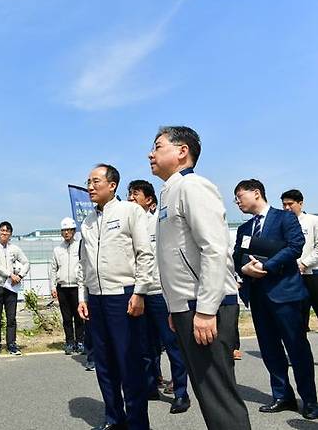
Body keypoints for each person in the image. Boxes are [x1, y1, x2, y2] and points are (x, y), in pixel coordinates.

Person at [149, 126, 251, 429]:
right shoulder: (171, 191)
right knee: (209, 394)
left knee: (218, 396)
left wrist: (206, 309)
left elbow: (215, 249)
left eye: (157, 146)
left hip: (206, 307)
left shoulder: (193, 186)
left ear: (182, 151)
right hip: (187, 306)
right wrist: (174, 306)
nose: (150, 154)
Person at [77, 164, 155, 430]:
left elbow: (145, 254)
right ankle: (114, 418)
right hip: (96, 298)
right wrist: (83, 296)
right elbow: (84, 264)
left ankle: (137, 424)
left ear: (112, 185)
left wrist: (140, 292)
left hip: (123, 297)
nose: (90, 186)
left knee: (128, 362)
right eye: (88, 181)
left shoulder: (130, 211)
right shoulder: (87, 222)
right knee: (104, 363)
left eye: (95, 181)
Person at [234, 179, 317, 419]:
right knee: (270, 350)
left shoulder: (284, 218)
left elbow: (295, 246)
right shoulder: (244, 229)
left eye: (240, 196)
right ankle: (282, 396)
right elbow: (237, 256)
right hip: (259, 298)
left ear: (256, 193)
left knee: (297, 348)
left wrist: (267, 266)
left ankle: (309, 400)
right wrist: (244, 269)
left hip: (286, 294)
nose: (237, 202)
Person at [127, 179, 190, 414]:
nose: (131, 197)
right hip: (138, 294)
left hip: (160, 294)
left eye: (136, 194)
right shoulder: (128, 223)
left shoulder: (158, 223)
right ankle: (151, 385)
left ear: (149, 200)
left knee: (172, 344)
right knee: (144, 346)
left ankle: (181, 393)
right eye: (129, 194)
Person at [0, 221, 30, 356]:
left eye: (7, 231)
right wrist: (10, 274)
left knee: (11, 317)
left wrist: (20, 275)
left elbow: (26, 262)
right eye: (2, 230)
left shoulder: (15, 248)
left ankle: (12, 344)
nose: (4, 233)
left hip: (11, 287)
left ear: (11, 233)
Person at [281, 189, 318, 330]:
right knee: (298, 317)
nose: (286, 208)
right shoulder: (283, 223)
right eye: (284, 204)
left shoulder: (313, 221)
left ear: (300, 203)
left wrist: (304, 263)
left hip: (312, 273)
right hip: (292, 275)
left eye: (290, 204)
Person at [49, 217, 84, 355]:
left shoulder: (80, 246)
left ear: (74, 231)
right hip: (62, 287)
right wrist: (53, 287)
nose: (66, 233)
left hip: (77, 286)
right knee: (66, 317)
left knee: (79, 316)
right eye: (64, 230)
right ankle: (69, 342)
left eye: (69, 230)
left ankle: (81, 341)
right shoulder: (58, 249)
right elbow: (52, 268)